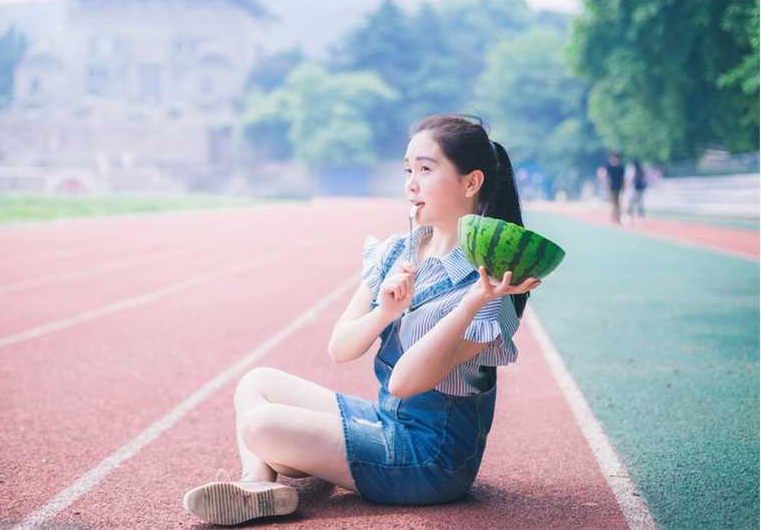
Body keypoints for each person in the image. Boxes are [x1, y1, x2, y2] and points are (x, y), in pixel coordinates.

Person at [182, 114, 543, 526]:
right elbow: (340, 349)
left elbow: (405, 382)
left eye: (426, 169)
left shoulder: (489, 290)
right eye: (407, 169)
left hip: (430, 461)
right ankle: (259, 486)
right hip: (388, 419)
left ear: (470, 182)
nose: (411, 183)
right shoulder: (397, 251)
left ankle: (281, 468)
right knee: (257, 384)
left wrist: (470, 302)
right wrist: (385, 311)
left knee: (262, 425)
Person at [604, 152, 625, 224]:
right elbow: (607, 177)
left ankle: (616, 217)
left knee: (616, 202)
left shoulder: (620, 167)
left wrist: (624, 186)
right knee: (615, 202)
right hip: (612, 186)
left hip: (617, 186)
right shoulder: (610, 166)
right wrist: (607, 185)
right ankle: (615, 217)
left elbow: (622, 178)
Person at [627, 158, 647, 224]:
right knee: (638, 203)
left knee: (633, 203)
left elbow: (631, 179)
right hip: (638, 189)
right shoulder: (640, 169)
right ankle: (638, 217)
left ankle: (632, 216)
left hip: (636, 189)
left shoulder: (636, 170)